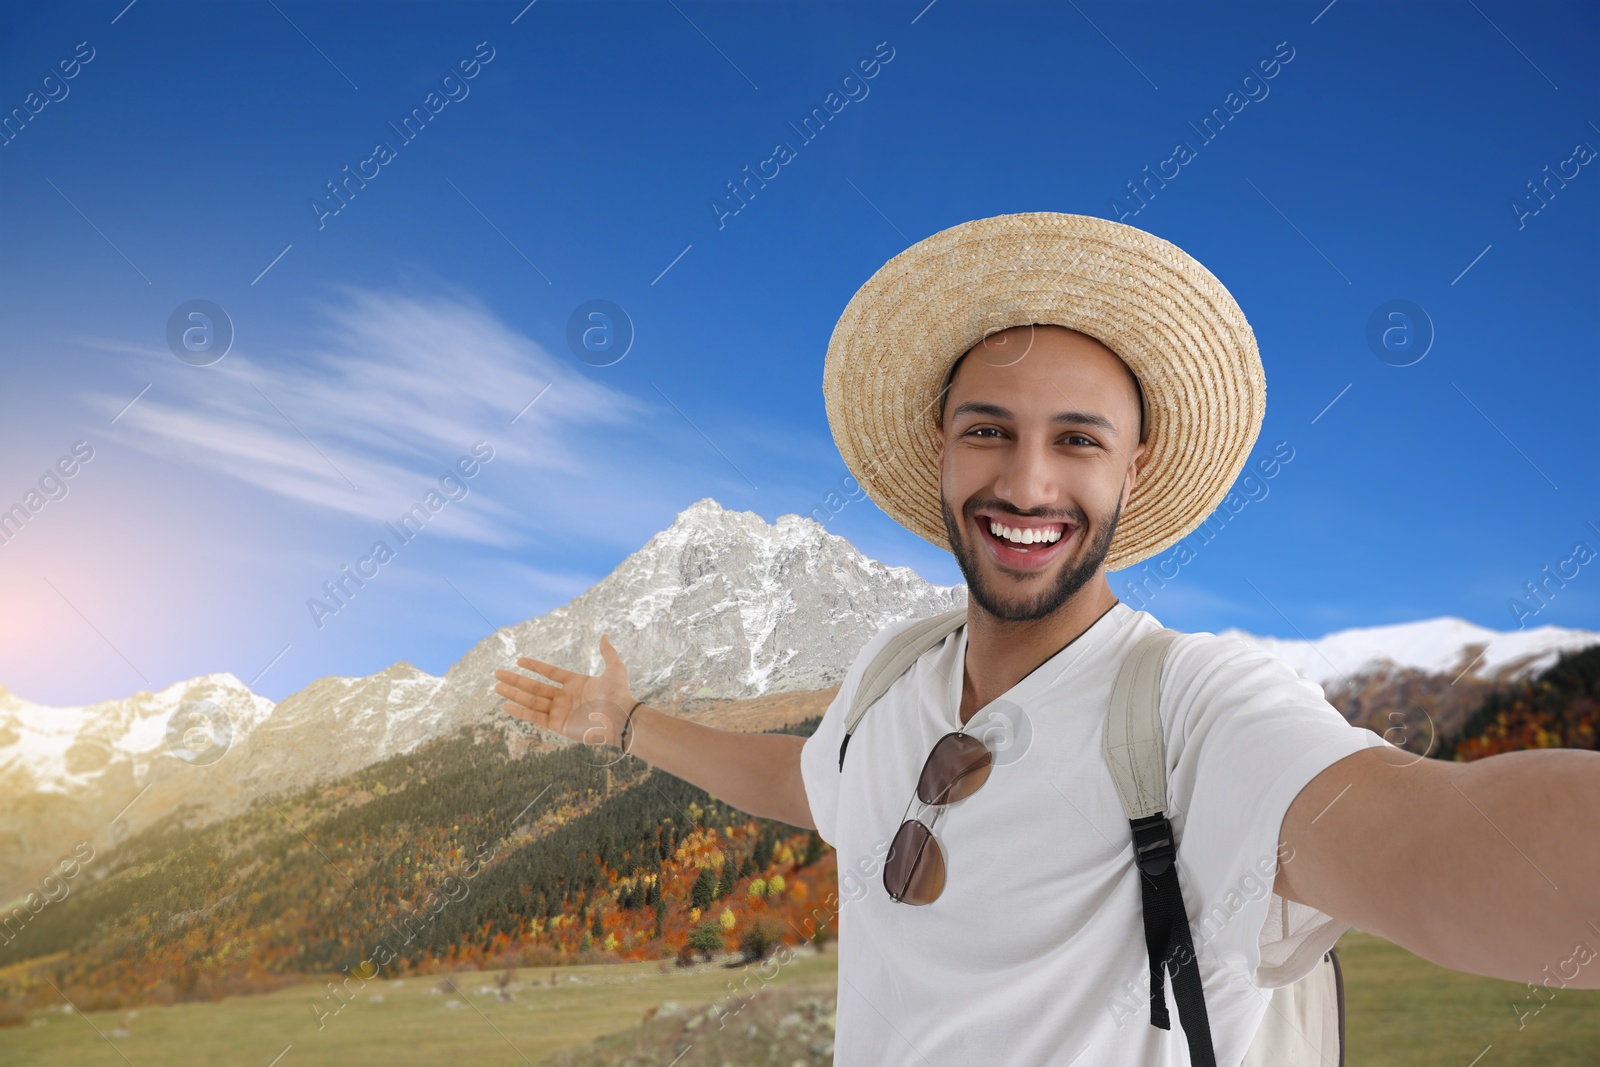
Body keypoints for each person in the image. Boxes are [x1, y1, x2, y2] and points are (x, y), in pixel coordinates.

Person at [492, 213, 1600, 1065]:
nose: (1026, 481)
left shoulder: (1197, 706)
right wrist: (625, 722)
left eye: (1077, 440)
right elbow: (813, 778)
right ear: (940, 450)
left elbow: (1442, 837)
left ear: (1136, 468)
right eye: (990, 431)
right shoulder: (893, 675)